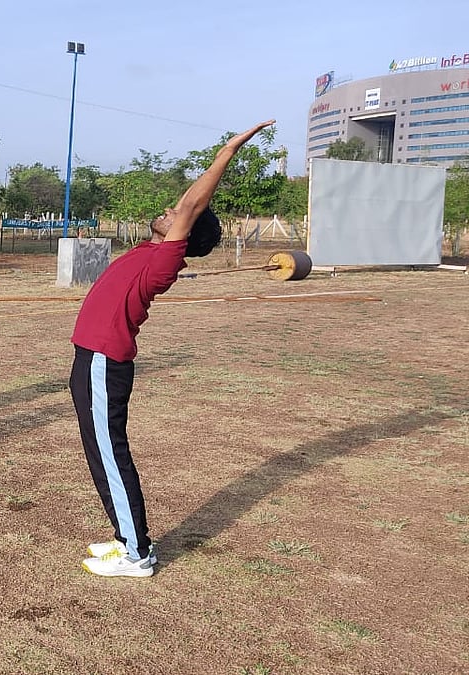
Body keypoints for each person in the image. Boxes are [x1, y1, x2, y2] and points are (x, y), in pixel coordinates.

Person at [71, 120, 276, 578]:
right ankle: (128, 537)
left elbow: (191, 204)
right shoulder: (149, 248)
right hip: (92, 358)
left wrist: (228, 151)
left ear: (184, 232)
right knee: (99, 449)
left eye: (175, 213)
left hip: (105, 360)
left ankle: (136, 555)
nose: (167, 209)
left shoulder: (165, 259)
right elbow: (186, 206)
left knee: (109, 451)